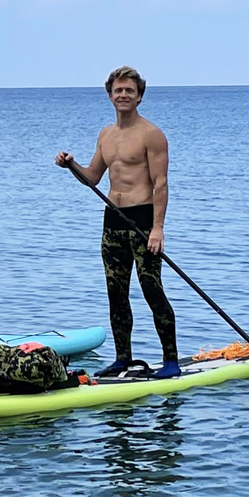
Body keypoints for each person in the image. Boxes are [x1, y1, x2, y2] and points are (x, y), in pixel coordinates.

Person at [55, 65, 181, 379]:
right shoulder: (106, 135)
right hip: (112, 221)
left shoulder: (151, 134)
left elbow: (161, 183)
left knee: (152, 290)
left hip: (142, 221)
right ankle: (123, 358)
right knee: (116, 293)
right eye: (118, 90)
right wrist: (72, 166)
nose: (123, 95)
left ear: (139, 97)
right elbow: (93, 178)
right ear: (110, 95)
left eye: (130, 91)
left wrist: (158, 228)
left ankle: (171, 361)